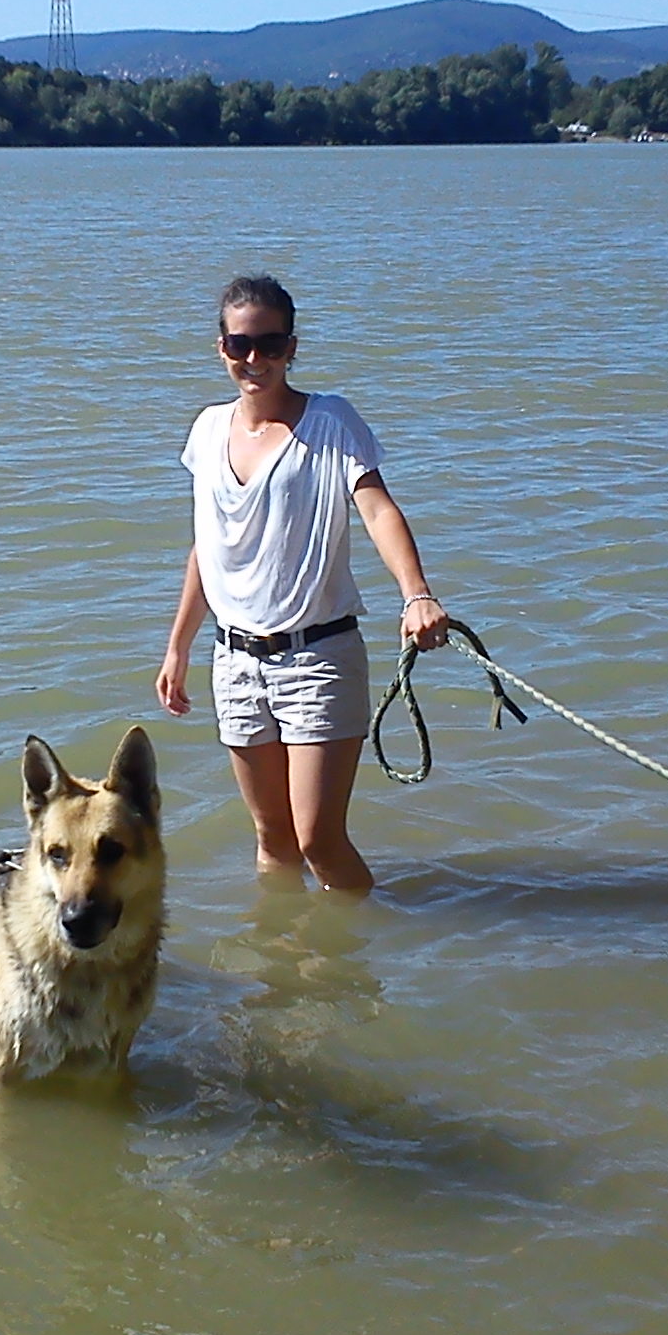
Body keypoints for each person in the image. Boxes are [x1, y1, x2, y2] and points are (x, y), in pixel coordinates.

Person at [155, 276, 450, 894]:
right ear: (221, 347)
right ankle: (284, 947)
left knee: (318, 840)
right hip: (235, 662)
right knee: (272, 838)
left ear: (292, 347)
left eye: (270, 343)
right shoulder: (206, 430)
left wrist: (417, 594)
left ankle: (365, 944)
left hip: (318, 658)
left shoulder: (331, 421)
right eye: (239, 344)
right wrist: (178, 647)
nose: (254, 359)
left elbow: (378, 510)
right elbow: (207, 547)